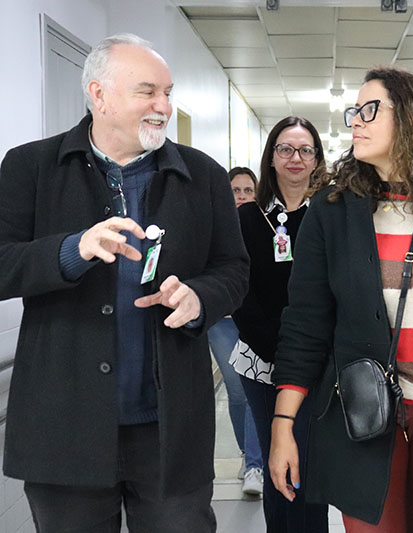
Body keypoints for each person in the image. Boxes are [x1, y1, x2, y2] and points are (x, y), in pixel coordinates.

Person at [0, 34, 249, 531]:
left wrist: (200, 298)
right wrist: (72, 250)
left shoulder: (203, 175)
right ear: (99, 94)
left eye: (167, 92)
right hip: (64, 428)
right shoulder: (31, 167)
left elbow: (234, 269)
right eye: (147, 91)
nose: (163, 106)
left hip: (169, 429)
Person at [267, 68, 413, 533]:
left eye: (369, 110)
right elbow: (305, 323)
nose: (356, 120)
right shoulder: (334, 210)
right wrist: (282, 423)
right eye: (354, 111)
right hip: (364, 409)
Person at [230, 117, 329, 531]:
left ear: (317, 159)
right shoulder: (247, 218)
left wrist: (304, 353)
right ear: (271, 157)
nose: (295, 158)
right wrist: (276, 348)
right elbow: (240, 288)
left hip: (316, 361)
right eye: (285, 149)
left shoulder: (330, 214)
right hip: (260, 359)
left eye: (305, 150)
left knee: (307, 462)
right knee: (277, 459)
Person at [206, 166, 264, 495]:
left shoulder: (266, 226)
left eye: (247, 190)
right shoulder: (213, 226)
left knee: (253, 385)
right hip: (223, 321)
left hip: (256, 320)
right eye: (235, 191)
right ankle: (247, 454)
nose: (241, 196)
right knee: (237, 390)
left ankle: (255, 465)